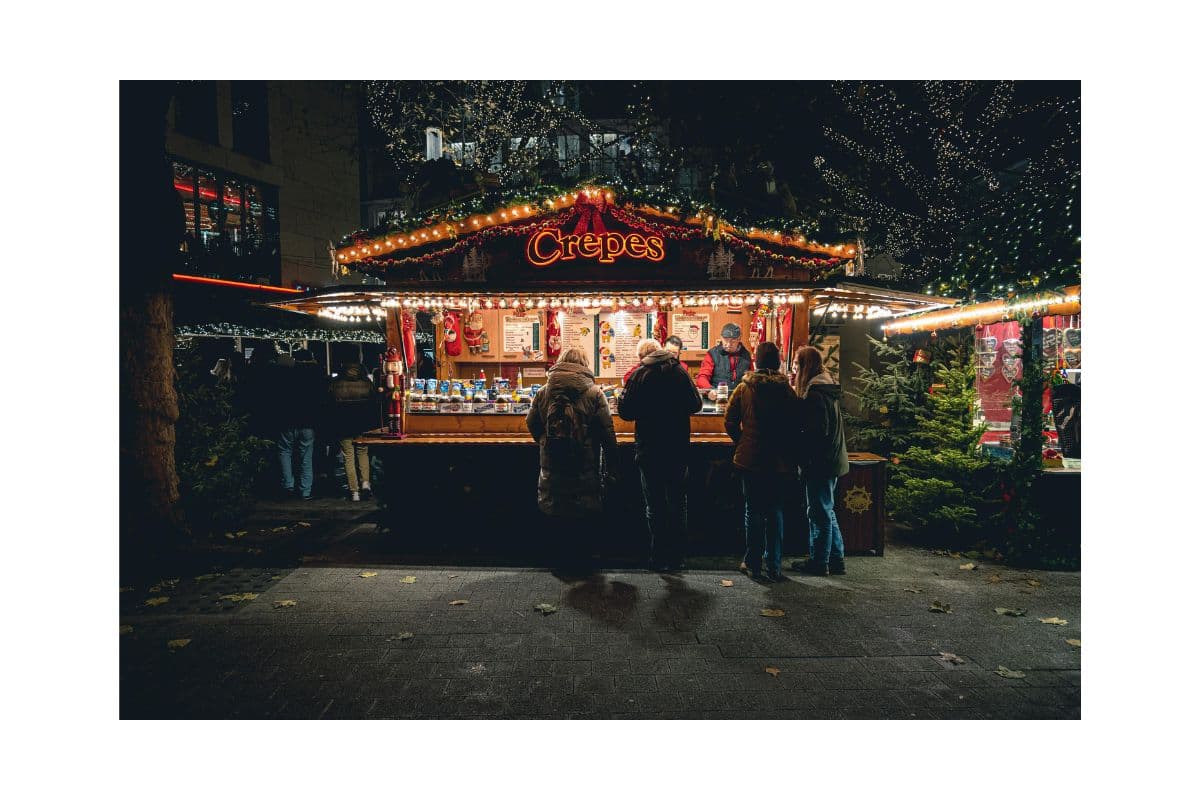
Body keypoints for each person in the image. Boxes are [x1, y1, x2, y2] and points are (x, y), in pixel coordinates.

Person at [526, 347, 618, 569]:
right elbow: (607, 432)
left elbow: (531, 421)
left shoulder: (544, 391)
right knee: (582, 510)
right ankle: (582, 561)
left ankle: (559, 559)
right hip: (583, 463)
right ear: (585, 364)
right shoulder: (595, 393)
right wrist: (613, 465)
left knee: (556, 507)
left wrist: (544, 440)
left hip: (552, 462)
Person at [619, 338, 703, 571]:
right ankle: (677, 557)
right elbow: (696, 405)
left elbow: (625, 412)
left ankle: (658, 556)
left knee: (654, 505)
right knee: (677, 503)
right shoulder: (680, 372)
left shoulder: (640, 374)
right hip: (677, 448)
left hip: (649, 449)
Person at [723, 341, 799, 581]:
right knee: (775, 511)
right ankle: (774, 565)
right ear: (777, 362)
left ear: (756, 360)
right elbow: (796, 424)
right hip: (779, 460)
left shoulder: (745, 387)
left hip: (751, 459)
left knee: (753, 510)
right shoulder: (787, 390)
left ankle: (754, 563)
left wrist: (742, 441)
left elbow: (729, 420)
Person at [791, 346, 850, 576]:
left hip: (820, 462)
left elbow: (816, 433)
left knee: (818, 512)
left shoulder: (815, 394)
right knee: (826, 509)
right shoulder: (826, 387)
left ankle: (819, 561)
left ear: (805, 366)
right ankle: (836, 558)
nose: (795, 370)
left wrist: (801, 452)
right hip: (832, 459)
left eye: (797, 365)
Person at [273, 348, 326, 501]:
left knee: (284, 452)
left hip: (287, 420)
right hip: (308, 421)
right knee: (306, 456)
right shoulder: (317, 374)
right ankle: (305, 490)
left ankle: (288, 485)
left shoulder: (286, 375)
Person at [328, 362, 376, 502]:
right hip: (363, 424)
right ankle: (365, 484)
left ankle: (354, 492)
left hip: (343, 425)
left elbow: (330, 404)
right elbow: (373, 403)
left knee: (348, 457)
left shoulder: (336, 384)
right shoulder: (366, 383)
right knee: (363, 453)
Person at [696, 323, 754, 400]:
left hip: (740, 401)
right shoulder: (712, 354)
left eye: (733, 341)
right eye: (726, 340)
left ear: (739, 339)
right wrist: (709, 390)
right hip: (717, 400)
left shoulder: (746, 355)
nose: (729, 344)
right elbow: (702, 377)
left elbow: (752, 378)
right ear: (721, 338)